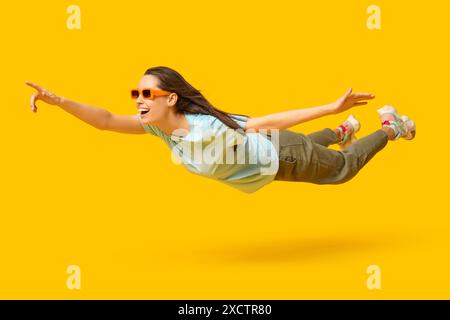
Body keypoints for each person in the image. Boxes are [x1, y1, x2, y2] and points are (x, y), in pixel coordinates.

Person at [25, 66, 415, 194]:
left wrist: (329, 104)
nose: (139, 101)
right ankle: (342, 130)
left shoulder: (207, 128)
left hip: (282, 155)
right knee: (306, 147)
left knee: (342, 170)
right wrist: (61, 102)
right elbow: (107, 121)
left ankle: (391, 127)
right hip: (275, 155)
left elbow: (270, 122)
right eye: (136, 94)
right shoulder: (159, 129)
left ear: (171, 99)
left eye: (147, 94)